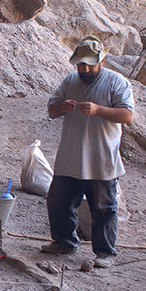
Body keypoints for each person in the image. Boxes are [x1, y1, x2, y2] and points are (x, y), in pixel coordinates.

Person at [41, 35, 135, 268]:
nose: (84, 69)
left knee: (103, 208)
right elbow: (51, 111)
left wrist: (98, 110)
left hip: (101, 159)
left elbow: (127, 116)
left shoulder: (117, 82)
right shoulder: (70, 81)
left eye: (88, 64)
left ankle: (105, 253)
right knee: (58, 202)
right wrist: (62, 107)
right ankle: (65, 242)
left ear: (101, 59)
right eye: (80, 64)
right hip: (70, 157)